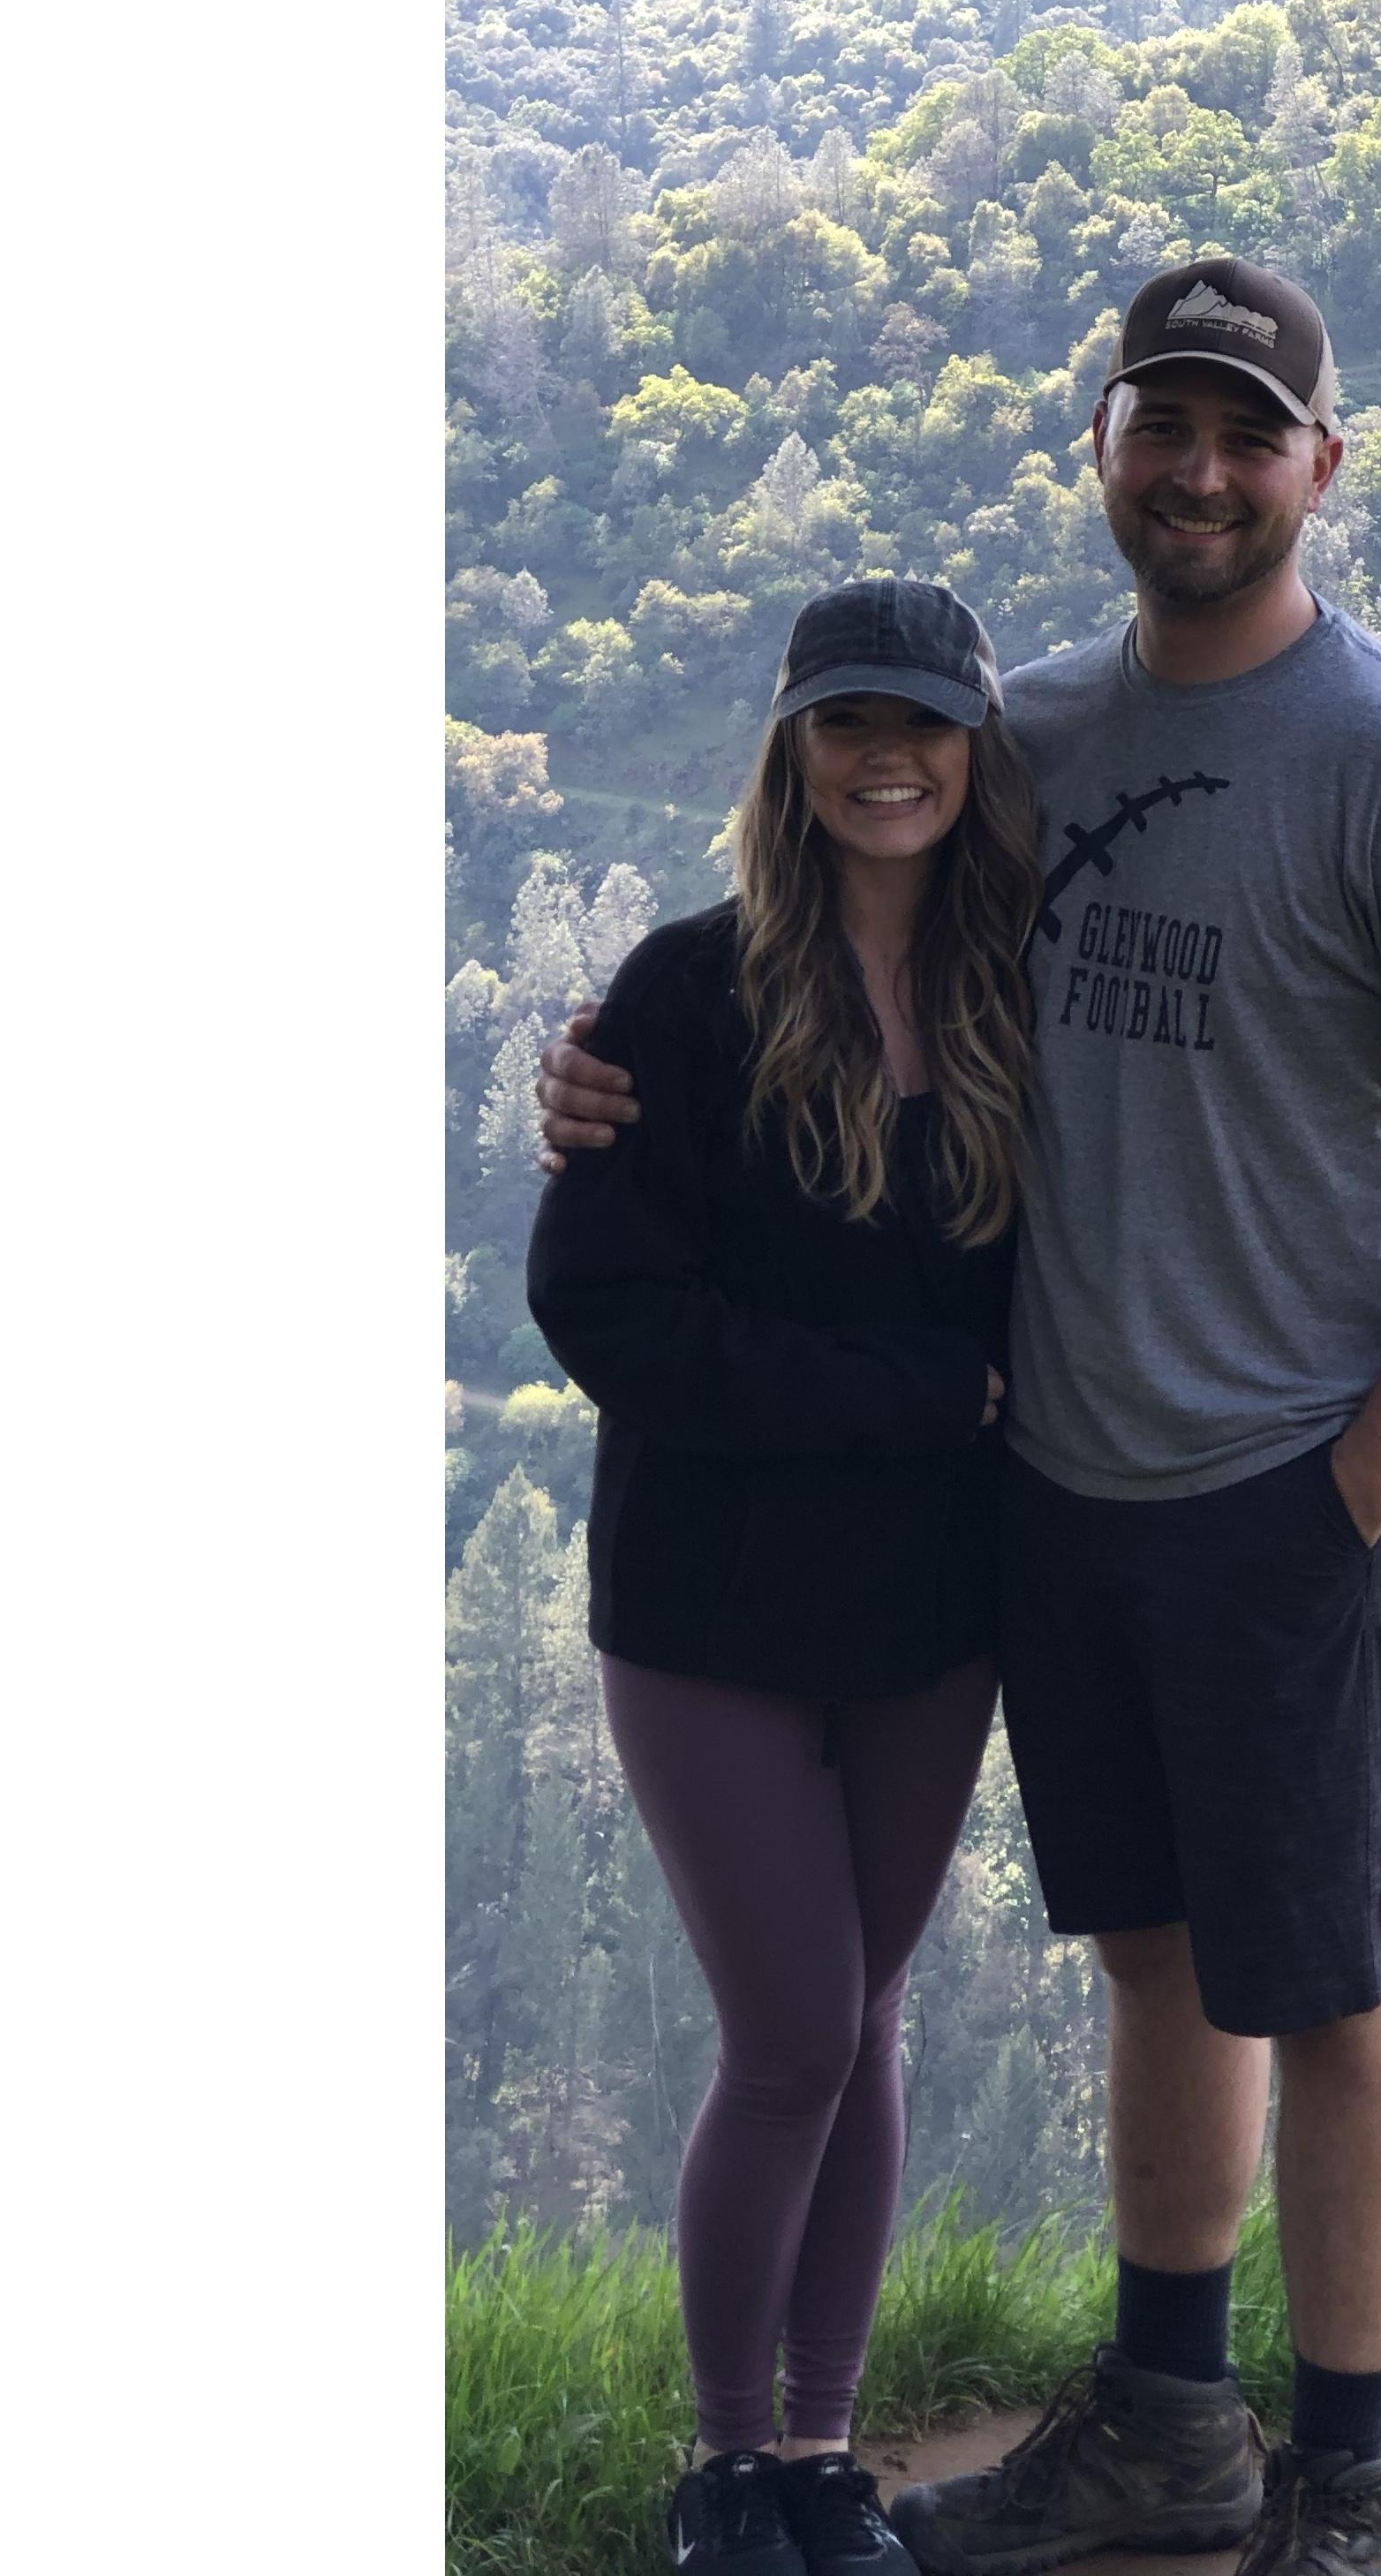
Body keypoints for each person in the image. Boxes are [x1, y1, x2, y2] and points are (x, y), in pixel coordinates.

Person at [544, 257, 1381, 2576]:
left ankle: (1338, 2482)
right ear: (1102, 450)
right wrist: (602, 1063)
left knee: (1325, 1974)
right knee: (1156, 1958)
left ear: (1324, 465)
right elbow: (838, 842)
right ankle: (1166, 2418)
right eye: (1164, 428)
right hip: (1059, 1489)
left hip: (1286, 1489)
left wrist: (1361, 1476)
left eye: (1250, 434)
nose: (1202, 473)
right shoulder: (1027, 738)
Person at [528, 579, 1034, 2576]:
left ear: (977, 753)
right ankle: (726, 2468)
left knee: (869, 2015)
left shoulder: (1021, 992)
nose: (886, 758)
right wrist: (919, 1399)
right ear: (791, 748)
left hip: (929, 1613)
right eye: (848, 723)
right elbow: (603, 1302)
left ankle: (824, 2464)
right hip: (713, 1610)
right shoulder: (680, 992)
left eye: (923, 723)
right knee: (796, 2036)